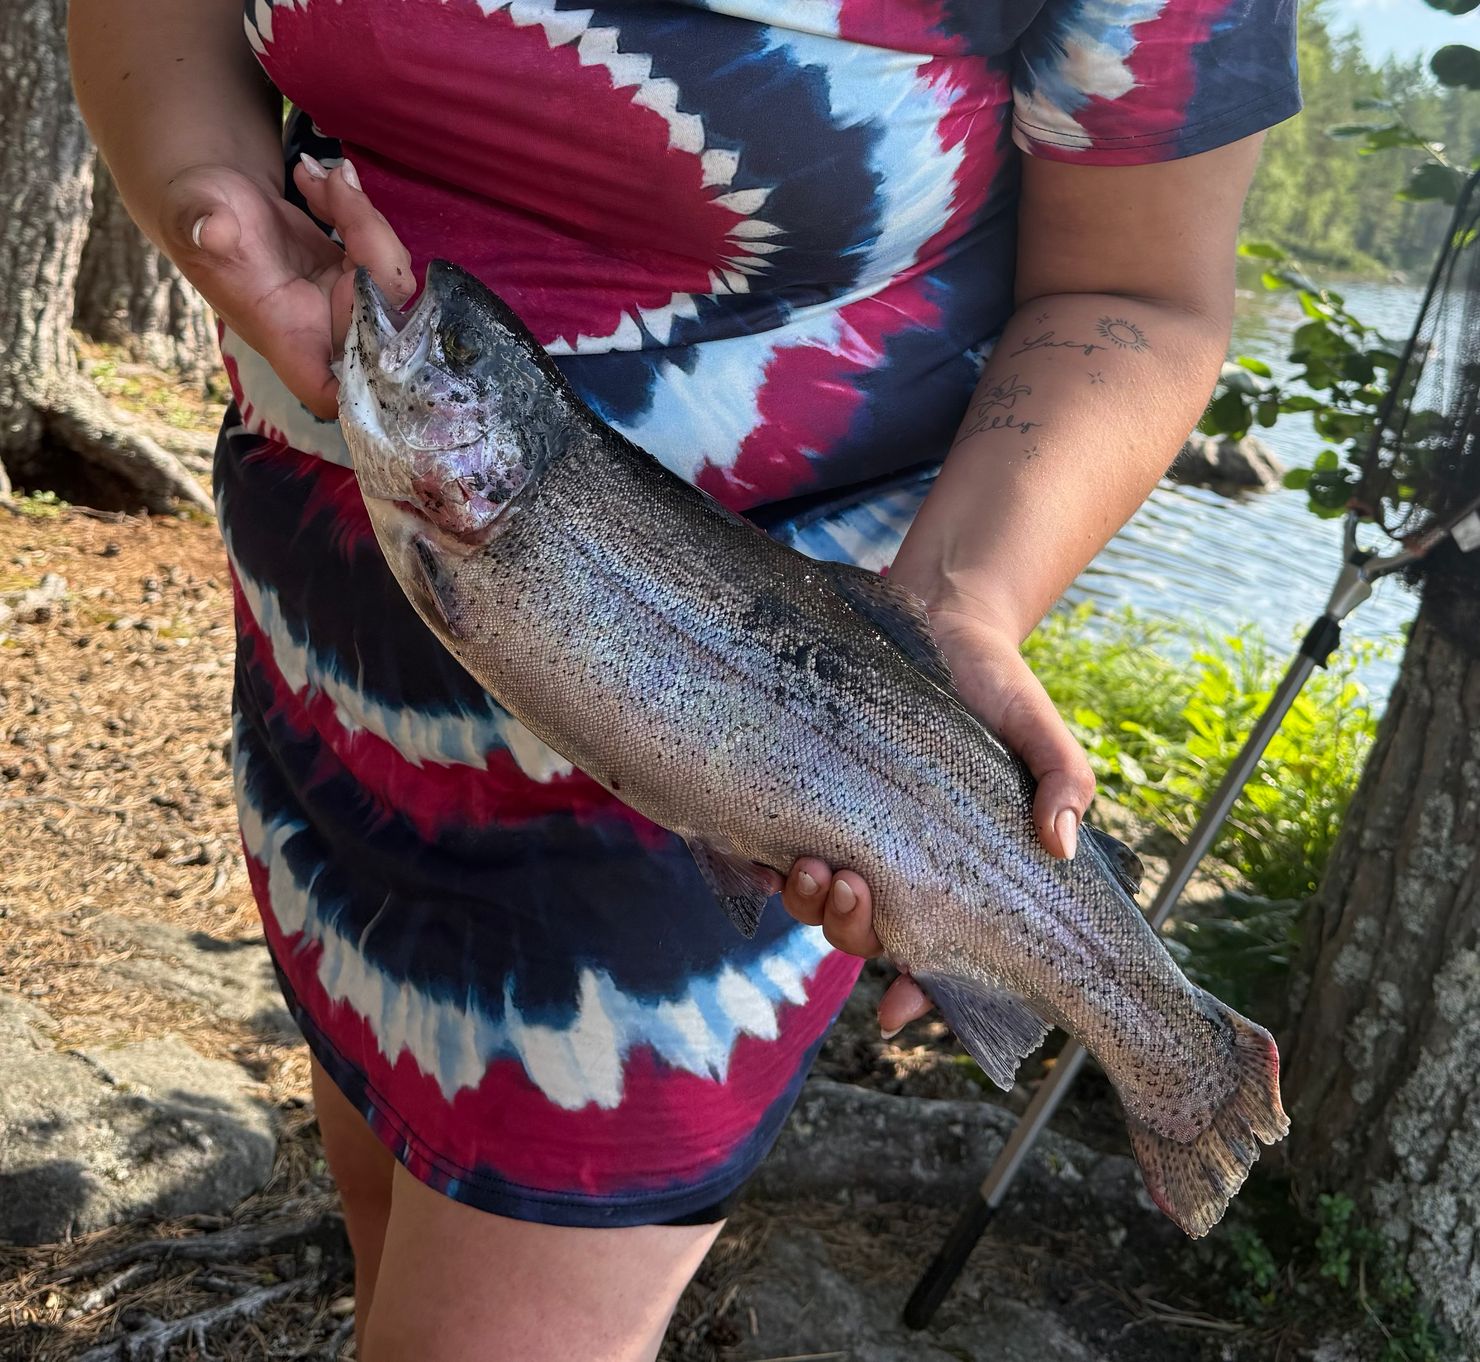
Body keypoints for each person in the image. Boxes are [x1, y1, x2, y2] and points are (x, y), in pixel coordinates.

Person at [69, 1, 1298, 1357]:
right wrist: (213, 201)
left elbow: (1136, 290)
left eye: (450, 361)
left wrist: (965, 604)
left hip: (798, 744)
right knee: (384, 1157)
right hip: (329, 664)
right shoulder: (434, 479)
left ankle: (1177, 1054)